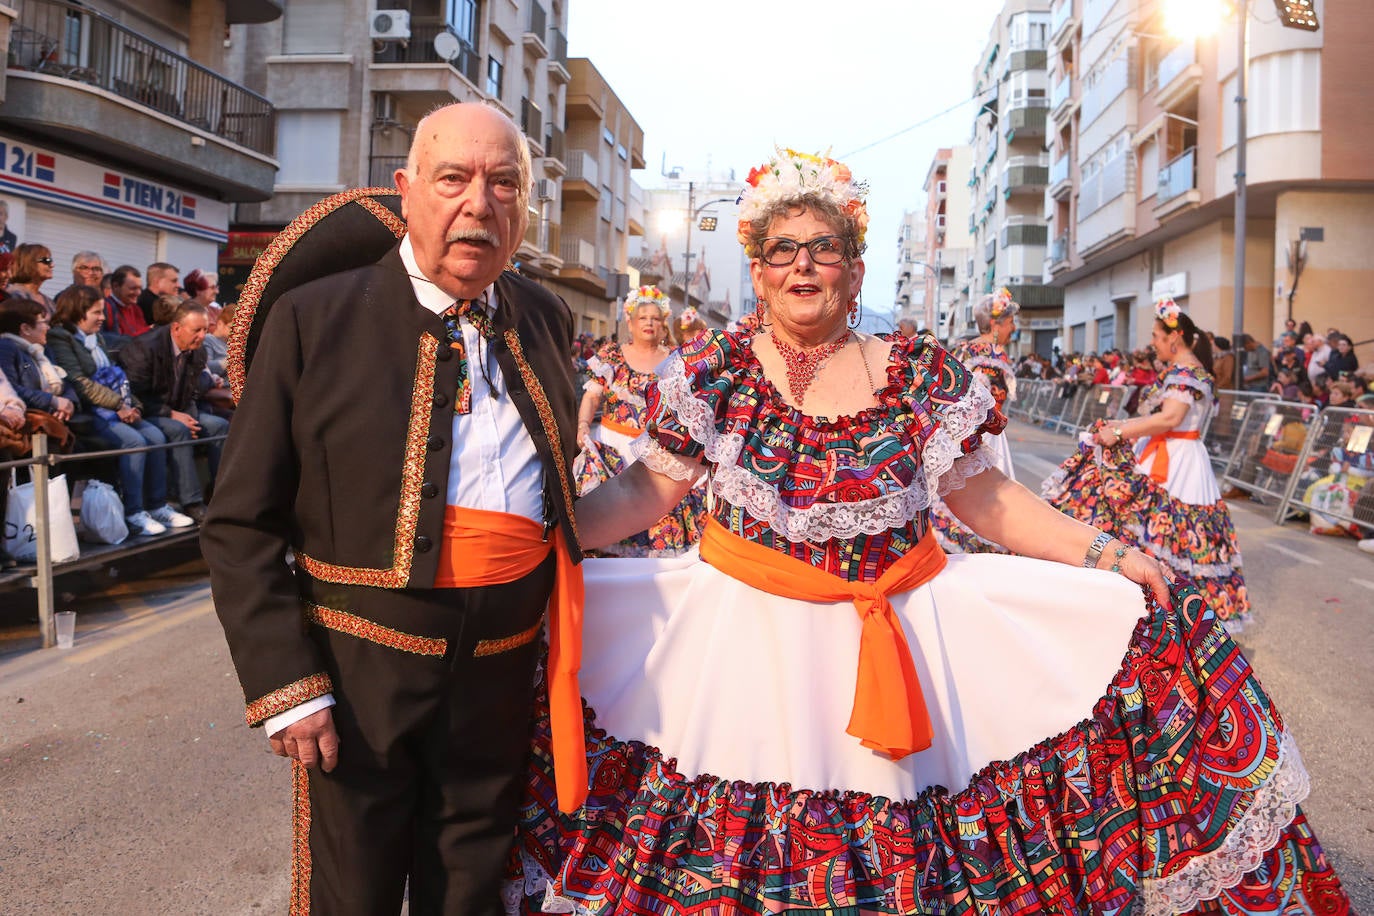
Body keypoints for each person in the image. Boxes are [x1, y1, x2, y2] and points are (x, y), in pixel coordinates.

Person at [507, 150, 1348, 914]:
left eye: (824, 247)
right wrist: (541, 538)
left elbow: (985, 502)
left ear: (855, 267)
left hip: (905, 630)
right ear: (759, 275)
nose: (804, 263)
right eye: (783, 250)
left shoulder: (917, 374)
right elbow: (646, 492)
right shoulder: (713, 374)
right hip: (744, 648)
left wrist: (1107, 552)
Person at [202, 103, 585, 915]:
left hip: (503, 669)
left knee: (475, 885)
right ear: (406, 192)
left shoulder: (548, 318)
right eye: (454, 179)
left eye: (504, 183)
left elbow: (561, 497)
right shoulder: (314, 319)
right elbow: (240, 519)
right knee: (355, 892)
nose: (480, 203)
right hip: (357, 671)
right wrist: (287, 681)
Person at [1043, 298, 1250, 631]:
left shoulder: (1186, 372)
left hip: (1177, 461)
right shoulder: (1186, 370)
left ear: (1175, 336)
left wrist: (1119, 431)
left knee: (1167, 535)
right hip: (1170, 453)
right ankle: (1157, 613)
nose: (1153, 342)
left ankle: (1173, 617)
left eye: (1156, 335)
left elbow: (1169, 418)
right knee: (1155, 534)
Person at [46, 285, 192, 536]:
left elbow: (117, 377)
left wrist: (133, 404)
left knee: (155, 437)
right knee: (134, 441)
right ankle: (133, 512)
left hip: (117, 407)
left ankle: (156, 506)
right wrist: (118, 405)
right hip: (90, 414)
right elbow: (81, 383)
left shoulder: (97, 338)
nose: (103, 318)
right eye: (96, 312)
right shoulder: (61, 338)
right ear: (77, 312)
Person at [573, 285, 705, 556]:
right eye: (643, 317)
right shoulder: (612, 355)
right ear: (630, 322)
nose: (649, 323)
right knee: (609, 510)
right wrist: (583, 425)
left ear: (663, 325)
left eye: (655, 318)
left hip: (657, 451)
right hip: (612, 448)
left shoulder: (676, 359)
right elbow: (592, 397)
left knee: (658, 515)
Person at [118, 301, 228, 521]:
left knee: (220, 426)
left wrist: (191, 418)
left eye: (205, 330)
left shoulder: (196, 352)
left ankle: (223, 497)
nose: (202, 336)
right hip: (148, 411)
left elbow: (192, 392)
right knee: (179, 430)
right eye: (197, 330)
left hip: (180, 409)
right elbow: (135, 395)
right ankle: (191, 502)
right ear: (177, 328)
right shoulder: (145, 348)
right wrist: (171, 414)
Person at [930, 287, 1018, 554]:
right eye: (1011, 322)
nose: (1013, 329)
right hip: (986, 433)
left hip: (962, 430)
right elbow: (979, 390)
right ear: (995, 324)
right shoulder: (994, 354)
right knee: (990, 495)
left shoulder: (964, 347)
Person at [0, 299, 78, 452]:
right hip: (28, 420)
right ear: (26, 328)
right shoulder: (6, 348)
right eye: (44, 322)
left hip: (55, 419)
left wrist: (68, 402)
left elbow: (65, 381)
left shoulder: (42, 351)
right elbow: (11, 388)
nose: (48, 327)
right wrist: (52, 401)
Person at [5, 243, 58, 317]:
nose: (52, 265)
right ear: (29, 263)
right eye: (46, 261)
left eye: (51, 260)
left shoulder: (49, 301)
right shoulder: (14, 295)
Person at [103, 265, 151, 342]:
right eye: (133, 288)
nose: (138, 293)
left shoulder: (136, 309)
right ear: (115, 286)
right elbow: (114, 341)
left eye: (140, 288)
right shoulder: (106, 308)